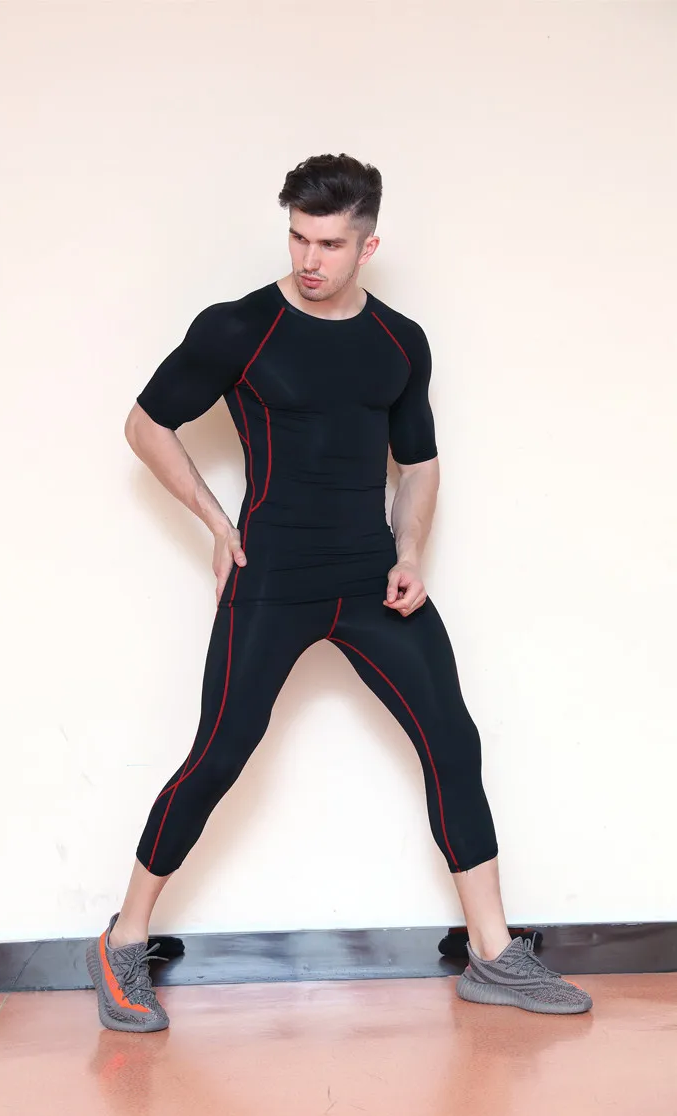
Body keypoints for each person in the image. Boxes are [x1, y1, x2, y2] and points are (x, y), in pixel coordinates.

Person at [86, 154, 593, 1031]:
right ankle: (123, 939)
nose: (309, 258)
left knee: (452, 737)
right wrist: (216, 523)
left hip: (368, 576)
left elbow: (419, 463)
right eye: (298, 237)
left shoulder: (400, 341)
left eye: (328, 243)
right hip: (273, 576)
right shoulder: (240, 327)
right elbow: (145, 423)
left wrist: (411, 551)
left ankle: (492, 952)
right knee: (221, 752)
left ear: (368, 246)